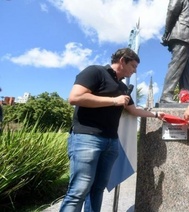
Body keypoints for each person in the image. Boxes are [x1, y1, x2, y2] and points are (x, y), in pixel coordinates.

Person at [60, 48, 164, 212]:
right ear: (122, 60)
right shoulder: (95, 72)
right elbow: (75, 98)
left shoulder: (123, 87)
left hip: (111, 142)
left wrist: (157, 114)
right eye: (133, 66)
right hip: (86, 138)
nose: (135, 71)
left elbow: (134, 111)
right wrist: (114, 101)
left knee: (97, 190)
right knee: (78, 190)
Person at [160, 0, 189, 103]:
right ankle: (166, 95)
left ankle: (186, 97)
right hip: (181, 36)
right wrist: (167, 32)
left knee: (186, 72)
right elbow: (171, 11)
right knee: (176, 66)